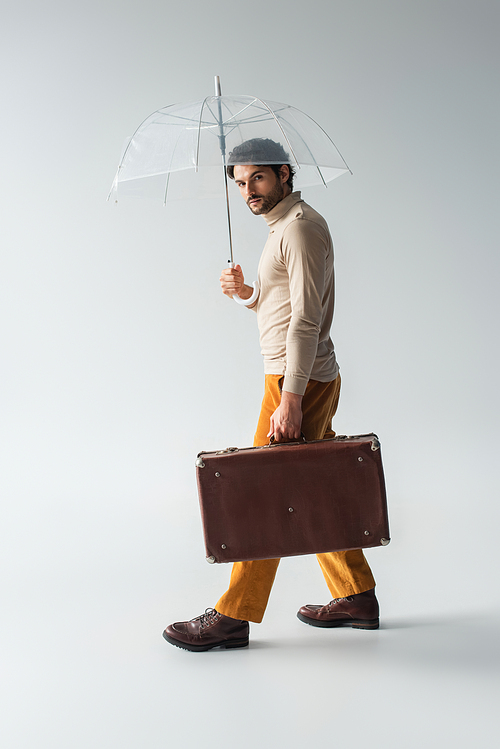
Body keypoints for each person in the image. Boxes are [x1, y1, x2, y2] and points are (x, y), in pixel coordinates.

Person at [163, 138, 378, 652]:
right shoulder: (281, 226)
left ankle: (233, 615)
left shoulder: (300, 228)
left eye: (257, 178)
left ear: (284, 172)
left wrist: (291, 398)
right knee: (312, 488)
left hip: (297, 380)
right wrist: (247, 295)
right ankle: (357, 596)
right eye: (239, 183)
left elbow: (306, 320)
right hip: (290, 377)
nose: (248, 192)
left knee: (265, 493)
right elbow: (281, 304)